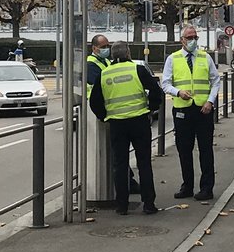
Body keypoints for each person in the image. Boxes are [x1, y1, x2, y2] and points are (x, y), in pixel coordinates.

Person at [89, 41, 163, 215]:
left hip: (117, 124)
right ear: (128, 53)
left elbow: (94, 101)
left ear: (112, 55)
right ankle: (148, 204)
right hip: (139, 121)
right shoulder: (138, 70)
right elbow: (156, 91)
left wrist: (104, 116)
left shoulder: (105, 73)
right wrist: (151, 108)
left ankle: (122, 205)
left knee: (120, 165)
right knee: (144, 163)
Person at [161, 25, 221, 201]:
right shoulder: (173, 59)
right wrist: (178, 92)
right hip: (182, 110)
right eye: (189, 37)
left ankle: (207, 188)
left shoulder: (205, 57)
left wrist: (210, 101)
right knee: (184, 150)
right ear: (182, 40)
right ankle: (187, 186)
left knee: (206, 150)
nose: (193, 40)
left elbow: (215, 81)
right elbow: (165, 83)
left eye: (195, 37)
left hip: (203, 110)